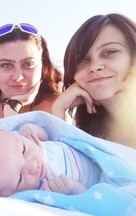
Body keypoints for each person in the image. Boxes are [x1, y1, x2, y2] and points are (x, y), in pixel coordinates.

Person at [51, 13, 136, 148]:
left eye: (109, 52)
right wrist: (58, 110)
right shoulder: (91, 136)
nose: (94, 67)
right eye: (82, 60)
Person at [0, 123, 101, 197]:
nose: (33, 165)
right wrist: (72, 189)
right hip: (101, 180)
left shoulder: (24, 138)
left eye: (23, 150)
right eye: (20, 177)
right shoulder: (44, 190)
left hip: (97, 157)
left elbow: (47, 134)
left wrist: (30, 127)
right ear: (6, 194)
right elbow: (87, 198)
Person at [0, 23, 63, 125]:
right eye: (6, 65)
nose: (18, 77)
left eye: (28, 64)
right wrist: (12, 108)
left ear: (43, 66)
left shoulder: (56, 104)